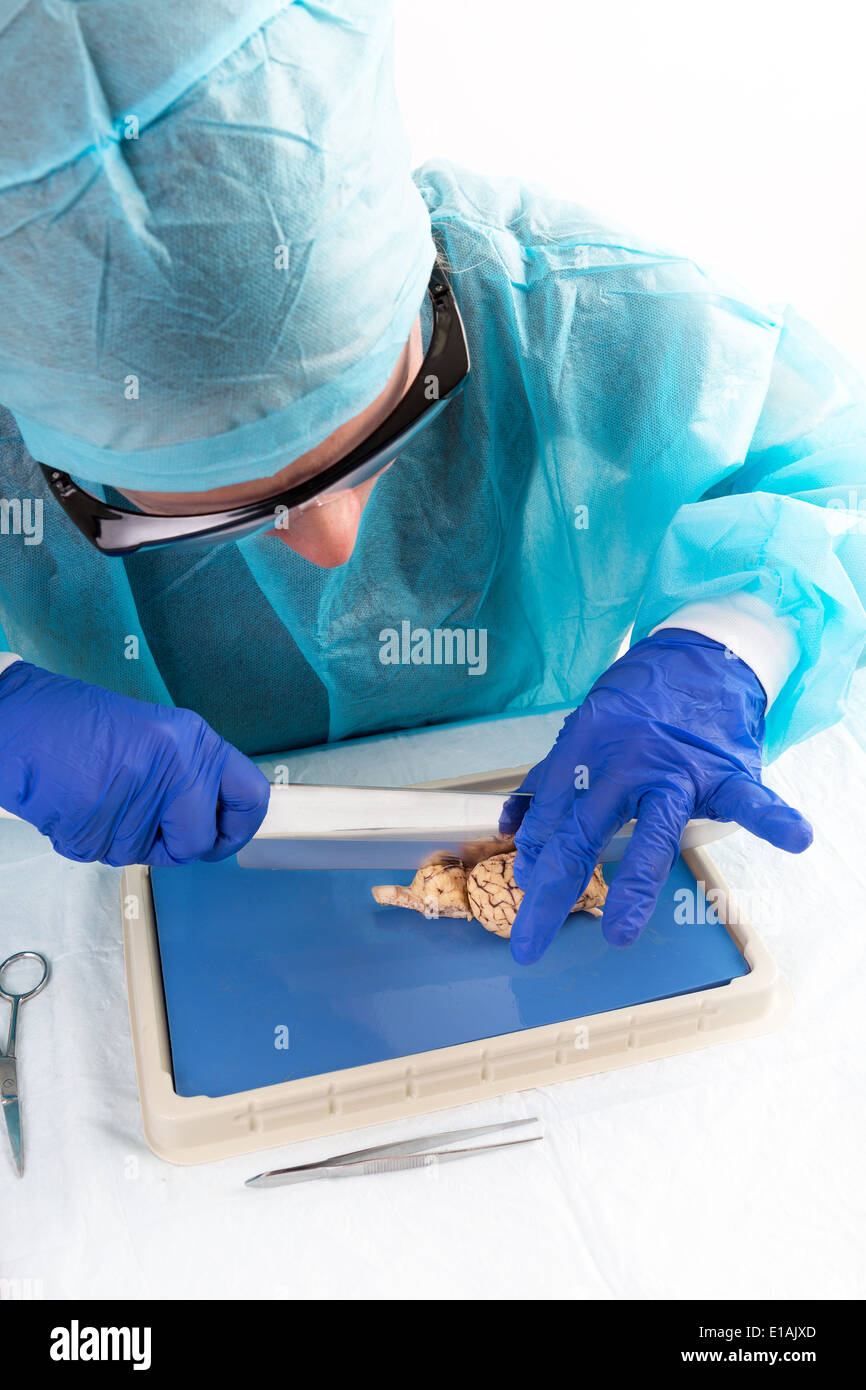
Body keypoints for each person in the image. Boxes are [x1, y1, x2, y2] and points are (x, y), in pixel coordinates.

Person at [1, 1, 864, 962]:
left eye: (382, 434)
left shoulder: (569, 313)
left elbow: (831, 476)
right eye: (224, 508)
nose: (334, 547)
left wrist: (733, 642)